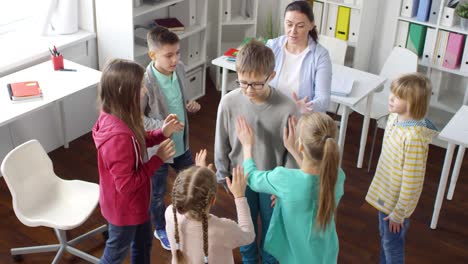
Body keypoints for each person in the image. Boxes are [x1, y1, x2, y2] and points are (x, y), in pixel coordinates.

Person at [214, 40, 298, 264]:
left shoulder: (287, 108)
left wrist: (284, 186)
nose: (249, 90)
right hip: (242, 180)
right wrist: (223, 176)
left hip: (272, 184)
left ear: (271, 75)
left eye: (256, 84)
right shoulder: (228, 102)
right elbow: (221, 142)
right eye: (243, 83)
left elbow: (292, 153)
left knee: (272, 234)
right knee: (246, 230)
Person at [92, 58, 183, 263]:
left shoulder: (115, 115)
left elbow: (136, 137)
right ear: (125, 90)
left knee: (143, 245)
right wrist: (157, 159)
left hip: (137, 203)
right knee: (114, 255)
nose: (145, 91)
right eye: (141, 86)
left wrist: (162, 132)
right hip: (125, 209)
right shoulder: (117, 137)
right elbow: (126, 184)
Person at [236, 112, 345, 264]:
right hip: (325, 254)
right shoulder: (337, 176)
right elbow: (311, 179)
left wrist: (247, 145)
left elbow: (252, 178)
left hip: (297, 256)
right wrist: (293, 150)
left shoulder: (284, 179)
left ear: (301, 145)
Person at [365, 73, 438, 264]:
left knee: (392, 246)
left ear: (413, 103)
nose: (391, 98)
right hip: (387, 195)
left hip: (396, 206)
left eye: (398, 97)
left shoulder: (413, 139)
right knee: (385, 238)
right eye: (392, 93)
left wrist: (398, 214)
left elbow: (412, 183)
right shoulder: (394, 118)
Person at [141, 26, 201, 250]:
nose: (175, 59)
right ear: (152, 55)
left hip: (181, 144)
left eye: (177, 53)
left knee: (192, 183)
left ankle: (193, 221)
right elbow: (138, 119)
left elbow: (181, 99)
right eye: (169, 55)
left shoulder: (180, 68)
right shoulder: (144, 82)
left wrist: (190, 106)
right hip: (159, 150)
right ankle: (160, 228)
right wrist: (164, 127)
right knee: (157, 194)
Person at [165, 149, 255, 264]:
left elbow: (189, 195)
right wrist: (240, 197)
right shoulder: (223, 229)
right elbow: (248, 235)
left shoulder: (170, 213)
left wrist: (198, 177)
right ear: (213, 200)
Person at [266, 0, 332, 113]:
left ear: (311, 25)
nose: (293, 31)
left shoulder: (320, 55)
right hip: (272, 112)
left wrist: (304, 107)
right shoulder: (272, 46)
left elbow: (324, 100)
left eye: (300, 26)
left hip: (302, 118)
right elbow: (258, 78)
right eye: (289, 24)